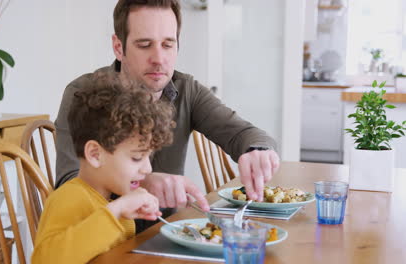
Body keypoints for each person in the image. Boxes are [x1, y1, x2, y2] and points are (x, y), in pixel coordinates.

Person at [55, 0, 280, 232]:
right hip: (101, 241)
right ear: (118, 47)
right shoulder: (83, 94)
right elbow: (68, 183)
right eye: (144, 45)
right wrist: (139, 183)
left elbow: (245, 134)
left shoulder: (187, 90)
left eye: (168, 45)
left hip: (166, 236)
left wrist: (257, 152)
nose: (159, 59)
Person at [32, 73, 175, 263]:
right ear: (95, 155)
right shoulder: (69, 198)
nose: (147, 168)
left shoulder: (111, 198)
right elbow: (46, 260)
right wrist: (117, 210)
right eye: (137, 157)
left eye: (148, 157)